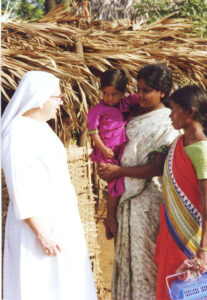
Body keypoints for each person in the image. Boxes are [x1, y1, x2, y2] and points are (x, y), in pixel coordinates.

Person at [1, 71, 97, 300]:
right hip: (37, 229)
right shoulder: (18, 132)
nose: (61, 102)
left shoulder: (41, 128)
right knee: (40, 285)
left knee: (64, 285)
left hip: (60, 222)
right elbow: (20, 186)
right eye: (57, 97)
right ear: (39, 97)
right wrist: (42, 232)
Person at [98, 63, 180, 299]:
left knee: (146, 263)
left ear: (163, 92)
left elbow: (156, 167)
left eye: (147, 90)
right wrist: (110, 212)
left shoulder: (167, 122)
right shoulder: (130, 115)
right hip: (125, 200)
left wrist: (119, 171)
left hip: (149, 204)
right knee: (125, 263)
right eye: (139, 89)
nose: (140, 95)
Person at [155, 85, 207, 300]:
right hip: (171, 230)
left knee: (187, 290)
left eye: (174, 109)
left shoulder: (201, 151)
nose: (170, 115)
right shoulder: (178, 143)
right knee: (169, 286)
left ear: (191, 112)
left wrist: (203, 249)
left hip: (190, 239)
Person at [87, 68, 139, 238]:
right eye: (105, 93)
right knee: (114, 182)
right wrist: (102, 148)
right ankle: (110, 217)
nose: (109, 98)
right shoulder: (97, 109)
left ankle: (110, 219)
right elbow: (93, 132)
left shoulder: (126, 104)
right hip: (106, 152)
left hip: (121, 150)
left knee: (120, 182)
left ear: (122, 93)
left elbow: (142, 97)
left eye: (114, 94)